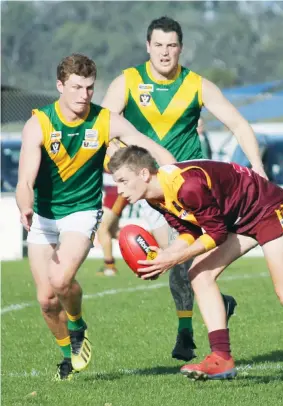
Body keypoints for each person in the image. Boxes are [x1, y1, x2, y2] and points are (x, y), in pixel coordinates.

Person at [108, 145, 283, 386]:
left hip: (267, 209)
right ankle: (221, 358)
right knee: (199, 274)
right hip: (239, 219)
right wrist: (165, 255)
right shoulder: (155, 197)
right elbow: (189, 231)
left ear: (144, 173)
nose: (118, 190)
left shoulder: (186, 186)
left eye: (122, 181)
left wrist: (175, 259)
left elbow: (216, 234)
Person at [102, 16, 266, 361]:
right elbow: (102, 128)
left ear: (181, 48)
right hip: (151, 188)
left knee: (181, 261)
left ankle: (186, 334)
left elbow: (237, 122)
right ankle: (217, 308)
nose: (165, 53)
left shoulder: (196, 84)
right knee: (178, 264)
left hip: (191, 187)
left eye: (171, 46)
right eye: (158, 45)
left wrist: (258, 166)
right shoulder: (127, 82)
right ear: (148, 47)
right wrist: (114, 158)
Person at [15, 54, 175, 381]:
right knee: (46, 300)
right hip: (44, 215)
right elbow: (24, 180)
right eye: (76, 87)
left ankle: (76, 323)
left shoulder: (105, 120)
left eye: (89, 88)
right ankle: (68, 354)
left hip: (82, 211)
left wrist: (173, 170)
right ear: (60, 86)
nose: (83, 95)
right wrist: (25, 204)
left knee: (61, 281)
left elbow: (143, 143)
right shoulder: (39, 123)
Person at [97, 141, 129, 276]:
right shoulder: (104, 140)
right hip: (111, 192)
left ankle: (109, 266)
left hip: (118, 193)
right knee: (113, 230)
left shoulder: (121, 144)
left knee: (102, 227)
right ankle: (148, 244)